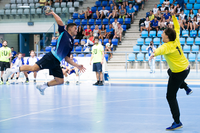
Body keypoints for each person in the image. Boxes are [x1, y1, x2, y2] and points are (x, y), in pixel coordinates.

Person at [3, 11, 86, 95]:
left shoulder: (71, 41)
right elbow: (60, 21)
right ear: (69, 29)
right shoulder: (64, 33)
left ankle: (42, 87)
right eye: (75, 28)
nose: (77, 30)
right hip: (51, 57)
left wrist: (77, 65)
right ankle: (11, 71)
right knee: (34, 68)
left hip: (57, 62)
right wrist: (53, 13)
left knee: (60, 80)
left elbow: (67, 58)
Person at [149, 6, 193, 131]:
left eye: (163, 33)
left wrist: (153, 54)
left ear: (167, 37)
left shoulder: (167, 46)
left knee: (170, 96)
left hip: (179, 72)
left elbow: (161, 49)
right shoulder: (176, 37)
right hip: (186, 67)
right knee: (169, 71)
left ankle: (177, 121)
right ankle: (186, 87)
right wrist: (173, 17)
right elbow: (177, 27)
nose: (162, 33)